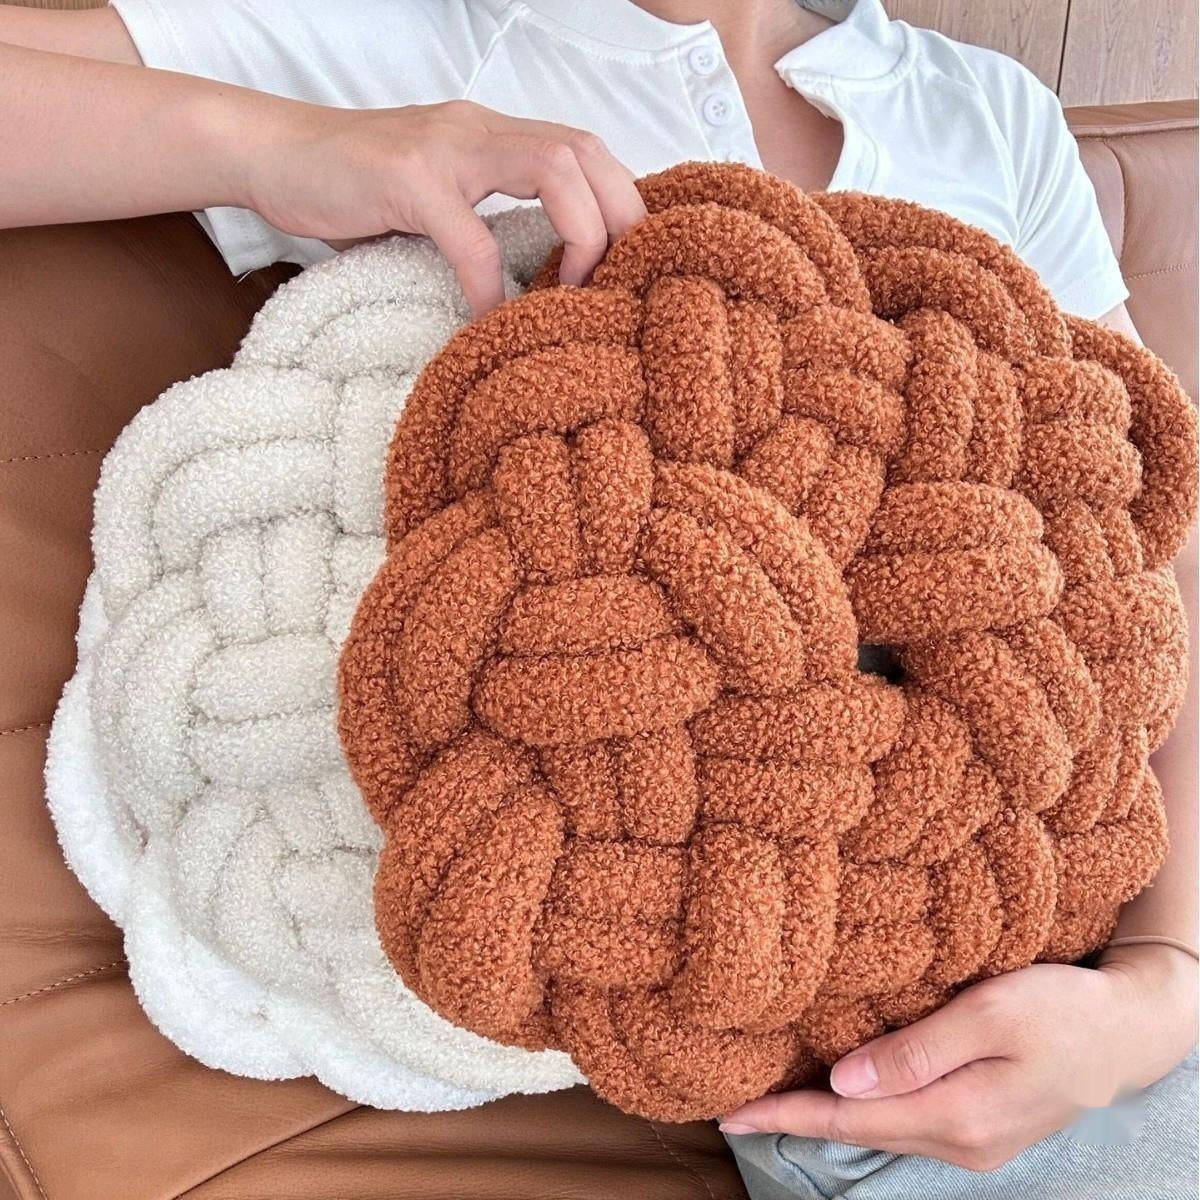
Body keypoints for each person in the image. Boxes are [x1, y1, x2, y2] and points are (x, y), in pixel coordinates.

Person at [1, 3, 1195, 1196]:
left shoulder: (988, 113)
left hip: (1026, 944)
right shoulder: (379, 33)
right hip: (796, 1021)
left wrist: (1158, 988)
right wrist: (277, 143)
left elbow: (1148, 569)